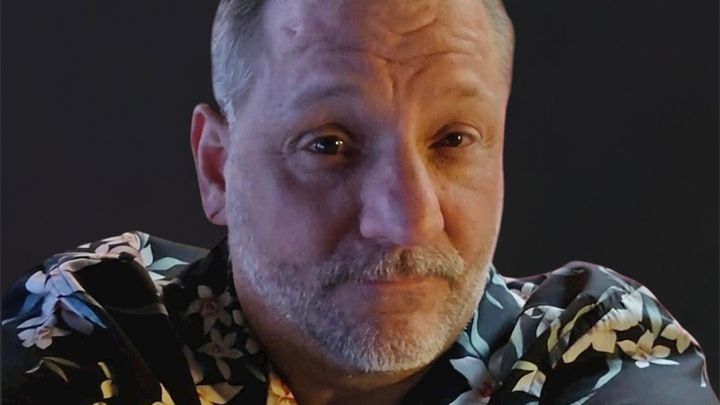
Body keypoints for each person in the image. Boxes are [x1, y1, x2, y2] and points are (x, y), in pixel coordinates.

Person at [2, 0, 716, 404]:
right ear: (218, 167)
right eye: (329, 145)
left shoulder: (599, 348)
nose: (406, 218)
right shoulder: (97, 325)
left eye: (454, 139)